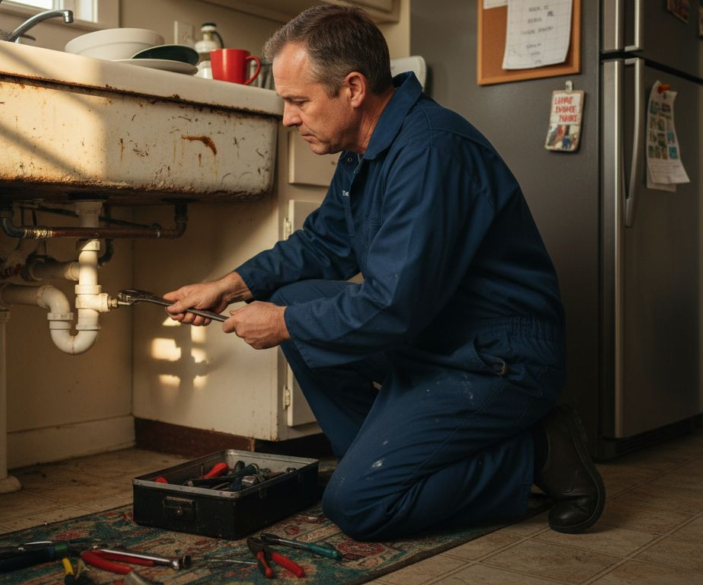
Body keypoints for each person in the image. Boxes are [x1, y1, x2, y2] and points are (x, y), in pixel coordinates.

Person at [164, 5, 604, 540]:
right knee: (298, 295)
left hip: (497, 357)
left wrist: (285, 323)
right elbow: (323, 243)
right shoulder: (364, 148)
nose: (288, 119)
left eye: (298, 102)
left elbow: (395, 305)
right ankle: (377, 462)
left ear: (352, 88)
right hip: (437, 335)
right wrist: (228, 285)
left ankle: (537, 451)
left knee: (358, 506)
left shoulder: (432, 152)